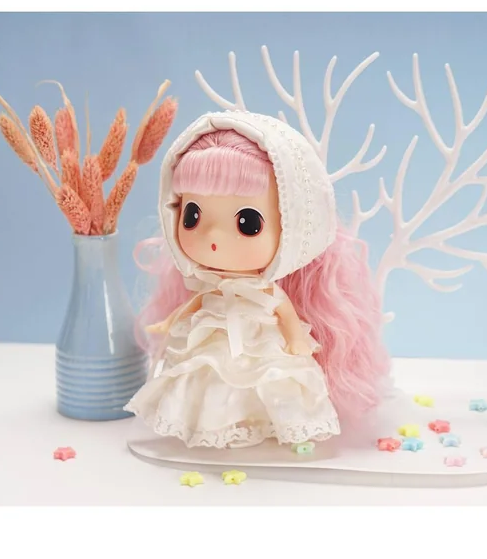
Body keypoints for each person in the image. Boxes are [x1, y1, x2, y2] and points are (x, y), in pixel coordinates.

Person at [124, 111, 390, 449]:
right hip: (214, 338)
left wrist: (295, 340)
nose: (212, 237)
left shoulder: (266, 290)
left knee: (270, 378)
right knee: (211, 378)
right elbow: (197, 302)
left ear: (293, 228)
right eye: (192, 216)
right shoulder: (209, 286)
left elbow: (283, 311)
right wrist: (170, 322)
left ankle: (266, 420)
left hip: (262, 341)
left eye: (247, 223)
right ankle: (217, 423)